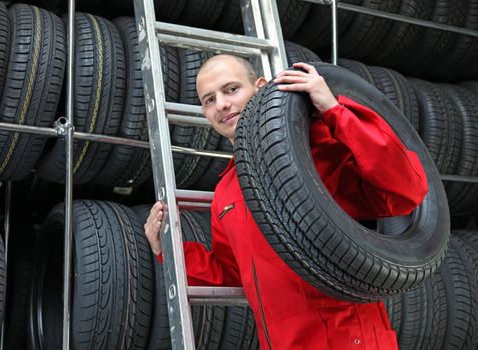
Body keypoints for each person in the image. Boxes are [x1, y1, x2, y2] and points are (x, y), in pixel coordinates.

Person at [144, 54, 428, 349]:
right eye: (209, 100)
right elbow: (231, 272)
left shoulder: (315, 148)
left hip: (349, 339)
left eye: (231, 90)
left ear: (260, 88)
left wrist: (334, 108)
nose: (222, 105)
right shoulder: (227, 192)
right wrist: (166, 248)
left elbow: (406, 189)